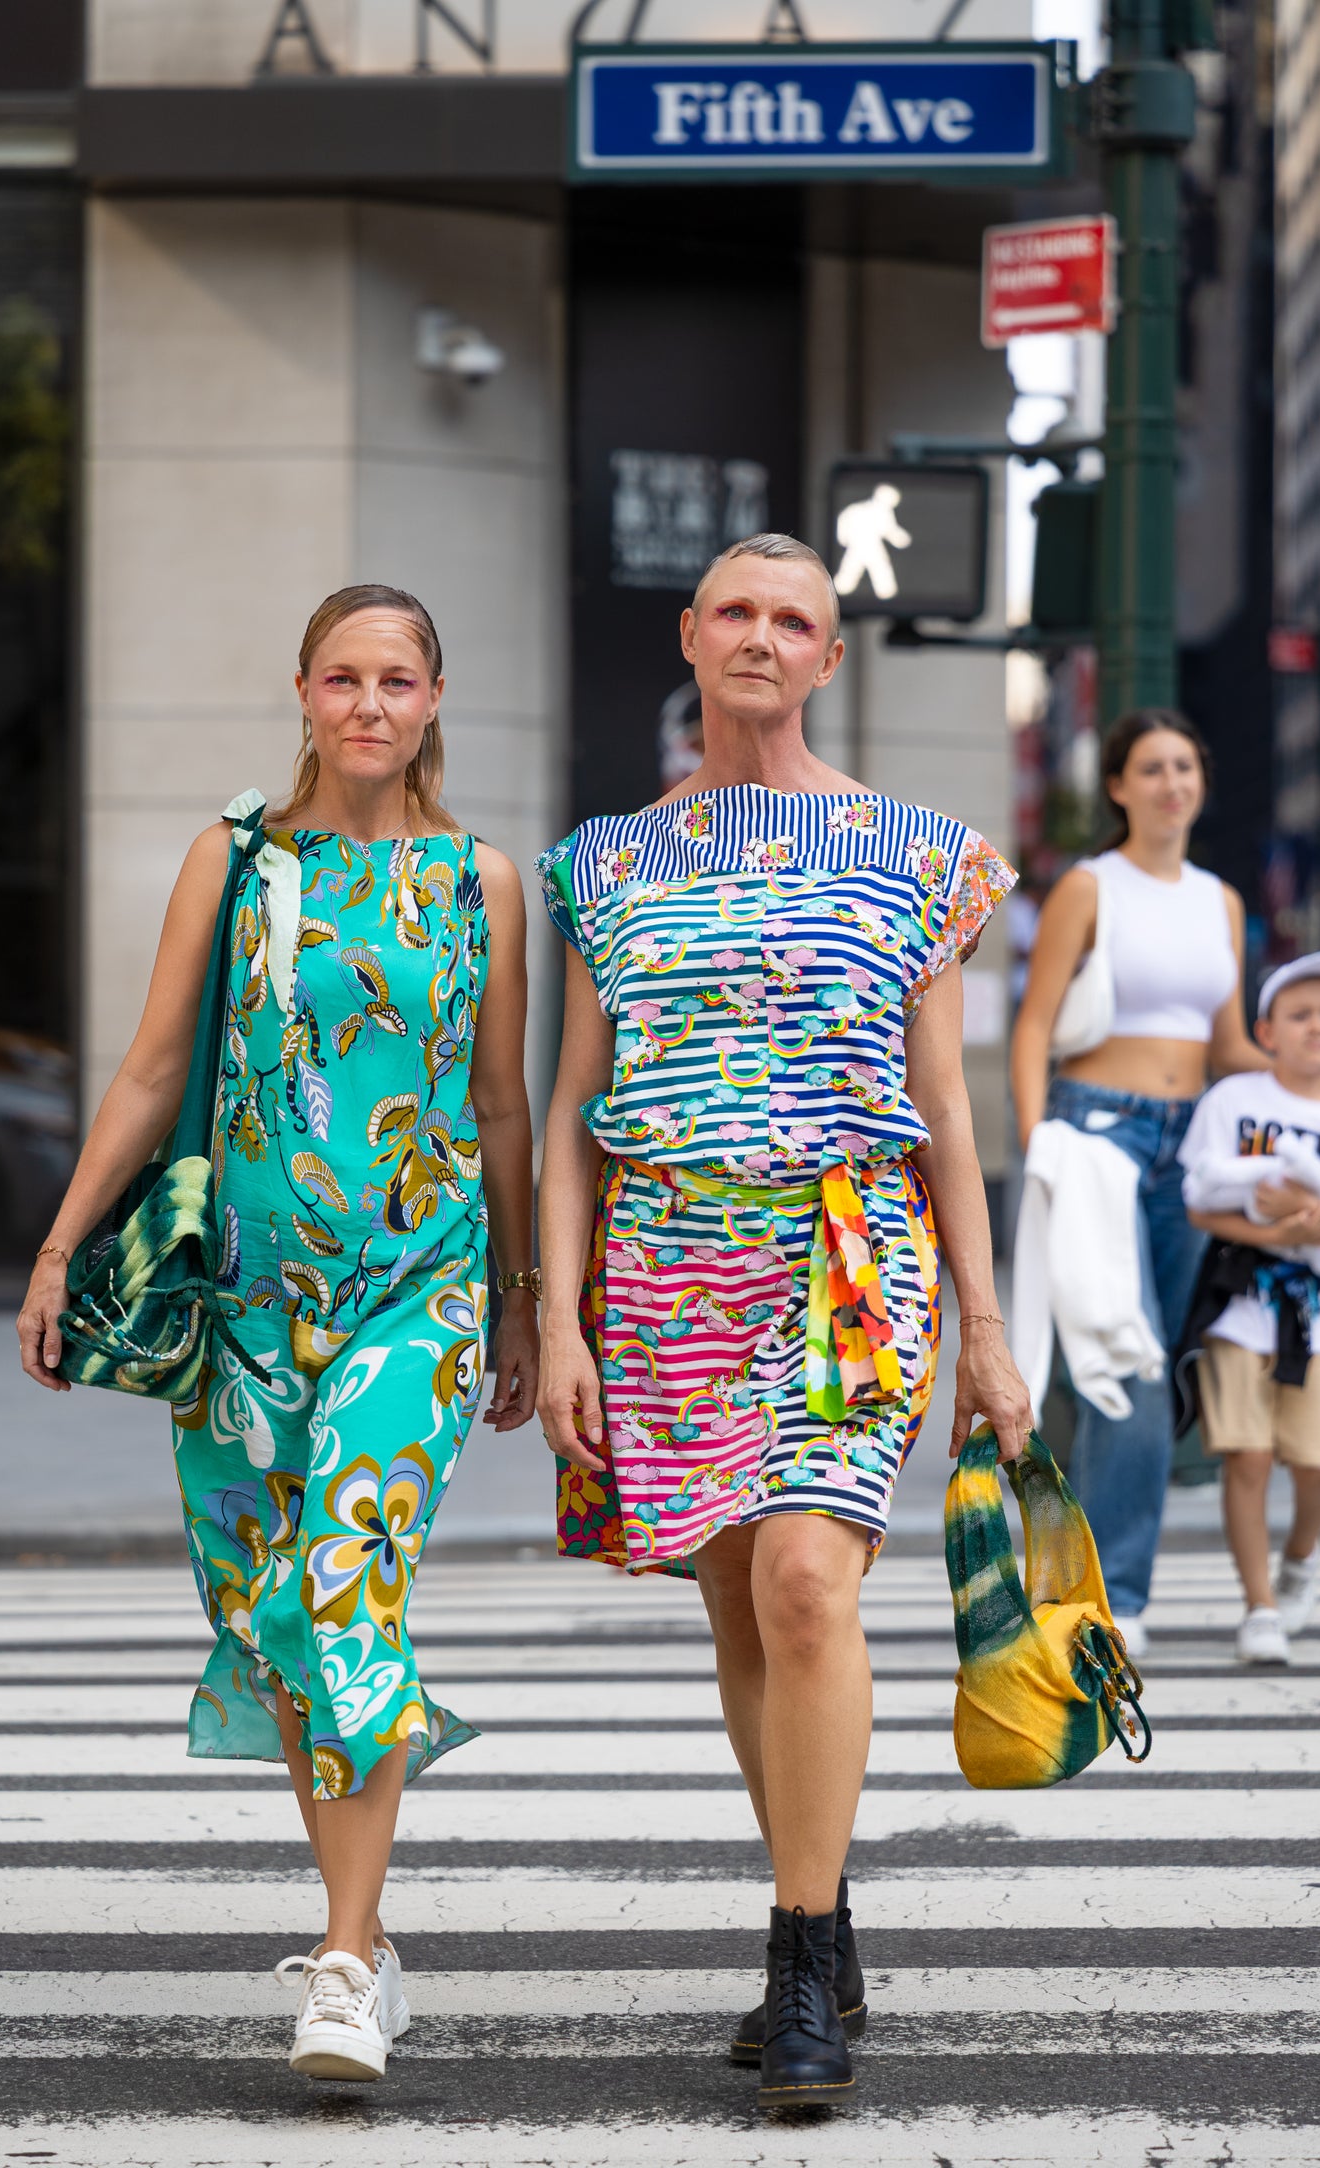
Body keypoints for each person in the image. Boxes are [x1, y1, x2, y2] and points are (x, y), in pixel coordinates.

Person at [16, 583, 538, 2084]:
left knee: (342, 1582)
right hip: (246, 1307)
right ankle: (359, 1937)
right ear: (302, 694)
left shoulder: (481, 883)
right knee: (280, 1620)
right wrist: (59, 1249)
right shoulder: (235, 859)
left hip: (417, 1293)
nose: (368, 704)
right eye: (341, 679)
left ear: (436, 698)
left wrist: (516, 1304)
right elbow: (150, 1071)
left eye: (396, 680)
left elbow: (500, 1103)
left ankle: (346, 1961)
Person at [534, 532, 1030, 2109]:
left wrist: (989, 1327)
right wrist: (559, 1327)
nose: (760, 637)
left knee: (812, 1586)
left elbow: (946, 1110)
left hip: (844, 1256)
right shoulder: (600, 860)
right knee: (748, 1611)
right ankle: (823, 1899)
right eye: (734, 612)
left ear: (829, 656)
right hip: (667, 1268)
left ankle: (800, 1952)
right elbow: (570, 1115)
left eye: (793, 620)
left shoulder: (922, 850)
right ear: (689, 637)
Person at [1010, 710, 1262, 1654]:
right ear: (1118, 786)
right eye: (1151, 769)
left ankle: (1077, 1570)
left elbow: (1228, 1043)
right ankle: (1116, 1592)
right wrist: (1039, 1140)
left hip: (1187, 1141)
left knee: (1137, 1361)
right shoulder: (1090, 887)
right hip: (1096, 1134)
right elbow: (1034, 1024)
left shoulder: (1220, 901)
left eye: (1184, 767)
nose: (1170, 784)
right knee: (1130, 1363)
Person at [1177, 954, 1320, 1664]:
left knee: (1315, 1461)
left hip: (1319, 1315)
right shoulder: (1232, 1101)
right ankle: (1258, 1604)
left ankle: (1301, 1558)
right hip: (1242, 1303)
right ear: (1265, 1030)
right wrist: (1276, 1232)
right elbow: (1199, 1200)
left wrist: (1311, 1226)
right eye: (1299, 1015)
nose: (1316, 1027)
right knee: (1248, 1455)